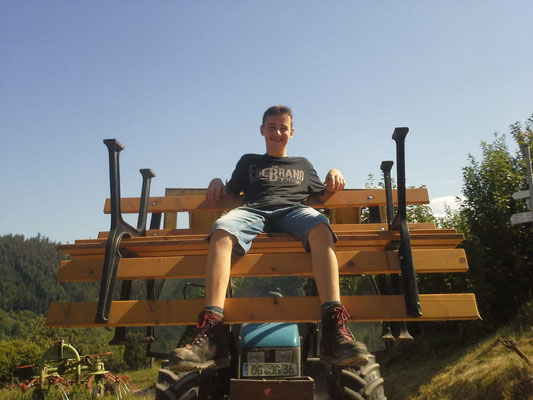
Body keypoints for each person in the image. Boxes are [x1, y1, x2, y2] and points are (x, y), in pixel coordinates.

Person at [169, 105, 370, 371]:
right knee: (221, 228)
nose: (277, 132)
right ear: (262, 130)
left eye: (283, 128)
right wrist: (217, 179)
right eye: (272, 127)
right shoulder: (249, 161)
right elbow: (230, 193)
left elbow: (322, 194)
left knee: (321, 225)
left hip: (294, 211)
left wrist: (334, 171)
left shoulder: (303, 164)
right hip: (254, 210)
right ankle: (212, 331)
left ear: (292, 132)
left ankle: (334, 328)